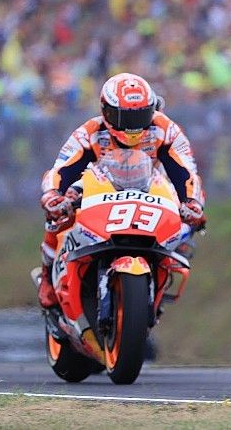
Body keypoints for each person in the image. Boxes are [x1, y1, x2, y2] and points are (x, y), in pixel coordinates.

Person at [37, 73, 206, 309]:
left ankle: (165, 261)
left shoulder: (166, 130)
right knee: (58, 212)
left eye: (140, 115)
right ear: (106, 111)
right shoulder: (90, 132)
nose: (132, 126)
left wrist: (192, 203)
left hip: (151, 186)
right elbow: (61, 169)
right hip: (98, 184)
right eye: (124, 116)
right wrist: (53, 194)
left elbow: (186, 170)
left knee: (190, 216)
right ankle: (47, 272)